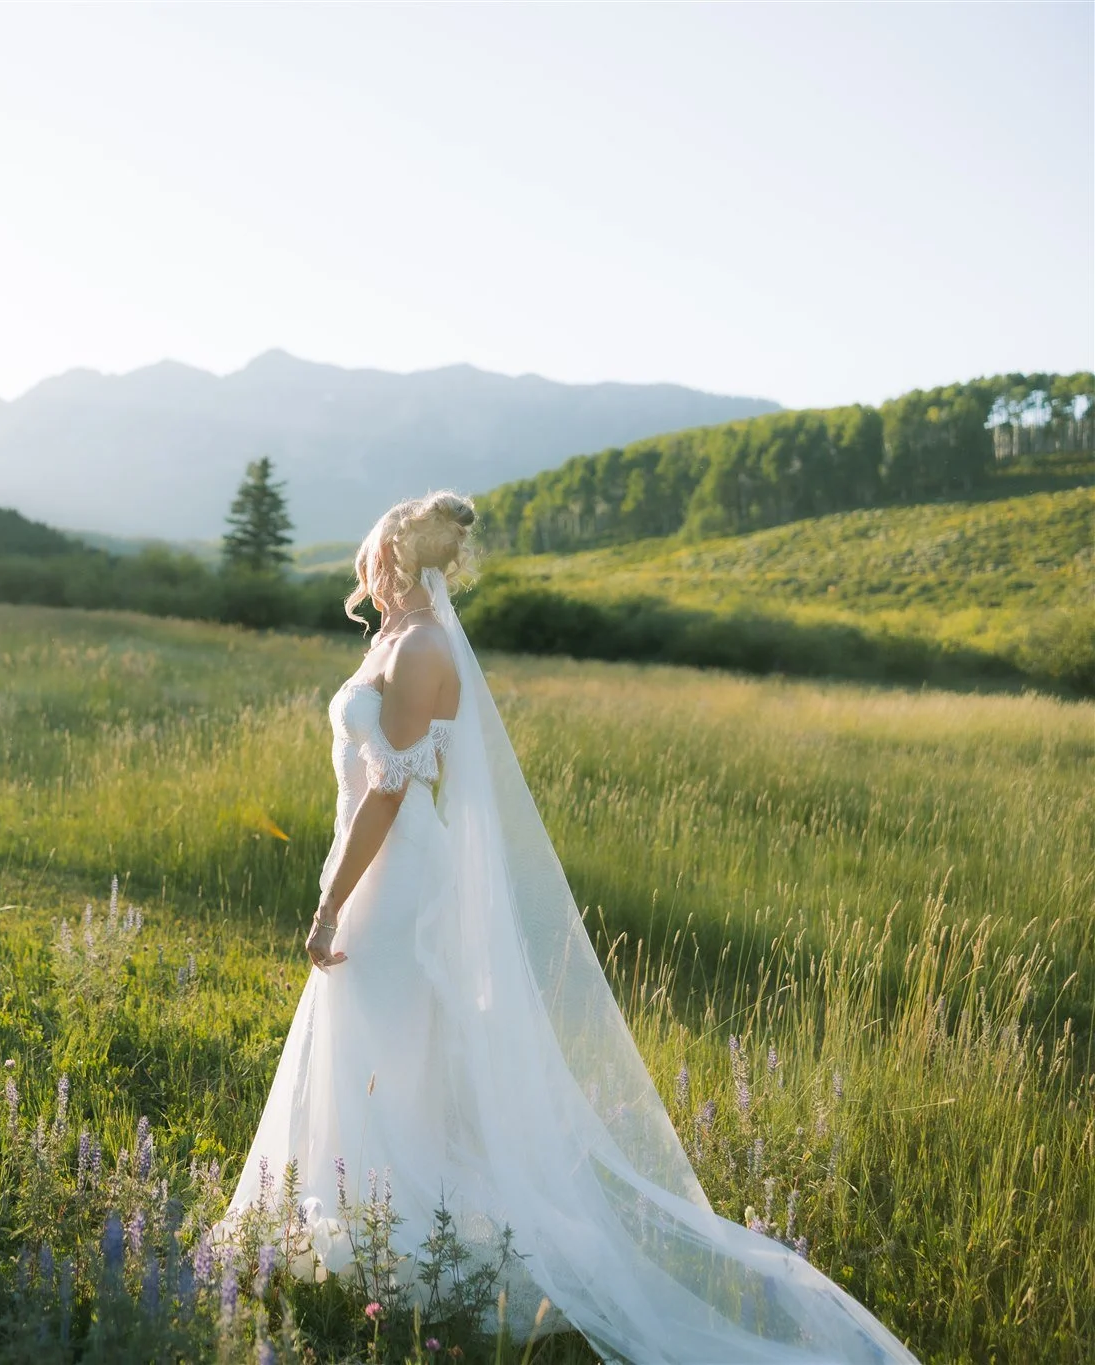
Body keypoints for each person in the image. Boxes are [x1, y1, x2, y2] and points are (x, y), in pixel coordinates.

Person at [223, 491, 917, 1364]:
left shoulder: (424, 649)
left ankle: (391, 1240)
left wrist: (331, 903)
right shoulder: (397, 639)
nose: (359, 567)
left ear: (394, 560)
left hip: (394, 880)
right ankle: (353, 1216)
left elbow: (392, 791)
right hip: (374, 864)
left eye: (369, 553)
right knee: (370, 1045)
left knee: (387, 1051)